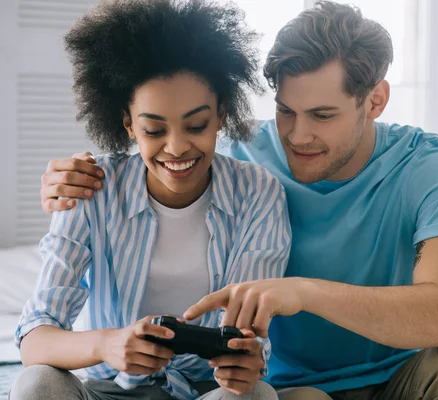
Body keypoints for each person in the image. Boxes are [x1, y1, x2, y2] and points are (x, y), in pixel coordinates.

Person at [39, 1, 438, 399]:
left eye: (323, 115)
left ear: (376, 100)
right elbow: (168, 150)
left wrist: (304, 292)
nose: (298, 137)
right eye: (286, 111)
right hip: (290, 387)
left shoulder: (429, 164)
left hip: (398, 375)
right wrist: (65, 182)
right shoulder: (238, 154)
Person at [12, 1, 292, 399]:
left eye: (197, 125)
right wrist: (108, 344)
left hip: (205, 391)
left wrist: (247, 363)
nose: (176, 148)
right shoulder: (92, 187)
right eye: (154, 130)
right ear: (128, 125)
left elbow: (252, 337)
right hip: (109, 388)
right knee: (36, 383)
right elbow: (34, 337)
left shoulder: (258, 193)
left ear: (221, 114)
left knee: (257, 395)